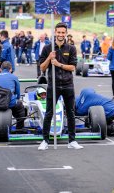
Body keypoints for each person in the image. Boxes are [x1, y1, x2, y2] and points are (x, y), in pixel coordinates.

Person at [38, 22, 83, 150]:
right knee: (49, 113)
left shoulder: (71, 48)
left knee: (71, 113)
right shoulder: (47, 48)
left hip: (68, 84)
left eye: (63, 32)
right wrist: (49, 58)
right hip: (53, 85)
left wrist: (58, 64)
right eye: (59, 32)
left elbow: (73, 67)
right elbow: (42, 67)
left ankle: (72, 141)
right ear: (55, 33)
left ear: (66, 33)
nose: (61, 34)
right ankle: (45, 141)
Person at [0, 61, 25, 140]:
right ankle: (19, 129)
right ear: (10, 69)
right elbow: (18, 93)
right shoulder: (14, 77)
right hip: (9, 102)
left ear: (0, 69)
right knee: (20, 106)